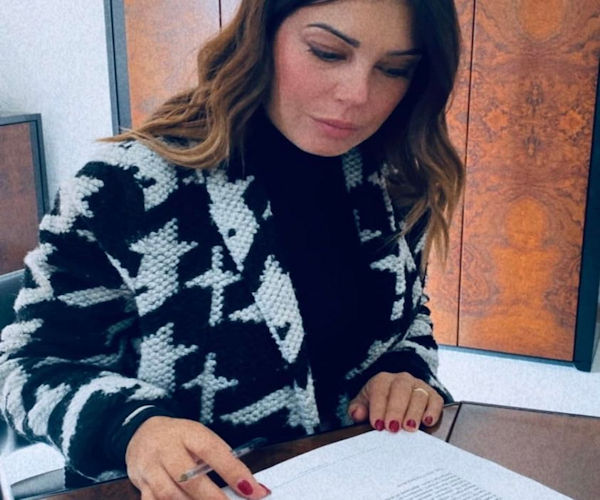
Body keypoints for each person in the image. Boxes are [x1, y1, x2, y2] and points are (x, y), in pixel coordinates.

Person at [0, 0, 464, 498]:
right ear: (262, 35)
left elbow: (409, 317)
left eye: (394, 70)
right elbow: (28, 367)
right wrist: (130, 429)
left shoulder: (395, 183)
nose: (357, 95)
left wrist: (404, 371)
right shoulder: (125, 189)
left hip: (363, 480)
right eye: (327, 52)